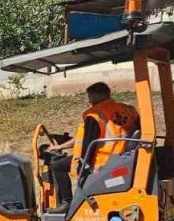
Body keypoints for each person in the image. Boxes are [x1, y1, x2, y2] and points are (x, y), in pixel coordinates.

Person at [49, 82, 140, 211]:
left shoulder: (95, 115)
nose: (89, 100)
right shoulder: (126, 109)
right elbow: (90, 138)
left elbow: (88, 145)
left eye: (89, 96)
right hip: (122, 157)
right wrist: (61, 146)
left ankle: (66, 203)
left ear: (96, 96)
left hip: (101, 161)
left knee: (57, 166)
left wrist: (82, 166)